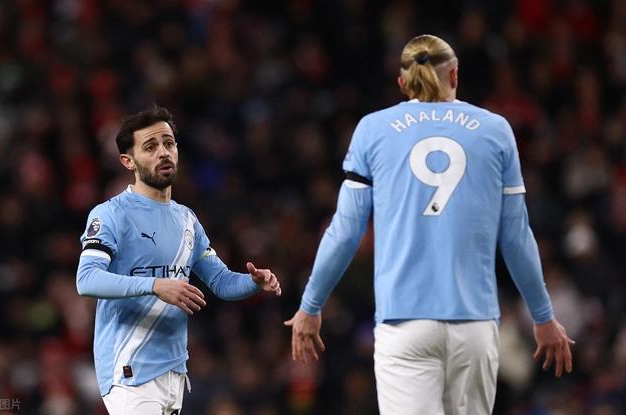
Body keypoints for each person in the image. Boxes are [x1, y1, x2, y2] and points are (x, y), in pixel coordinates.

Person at [284, 34, 574, 415]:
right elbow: (516, 236)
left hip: (404, 324)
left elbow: (346, 229)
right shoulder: (495, 130)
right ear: (454, 75)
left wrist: (311, 305)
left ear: (402, 83)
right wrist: (542, 316)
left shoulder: (373, 129)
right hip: (475, 323)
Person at [76, 105, 281, 415]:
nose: (163, 152)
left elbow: (220, 281)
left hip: (174, 369)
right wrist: (155, 285)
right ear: (128, 161)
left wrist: (253, 282)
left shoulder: (187, 220)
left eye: (168, 143)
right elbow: (87, 279)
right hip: (129, 368)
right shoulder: (110, 214)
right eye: (150, 147)